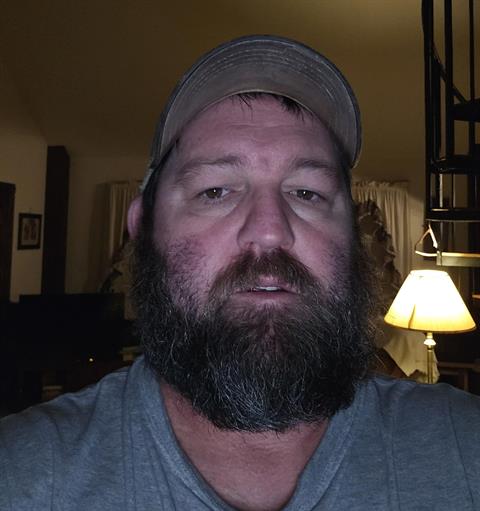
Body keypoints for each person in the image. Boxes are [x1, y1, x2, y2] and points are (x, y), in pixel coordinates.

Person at [1, 35, 479, 511]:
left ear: (351, 235)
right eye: (215, 191)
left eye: (307, 192)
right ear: (142, 226)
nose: (270, 231)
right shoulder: (20, 475)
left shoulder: (465, 449)